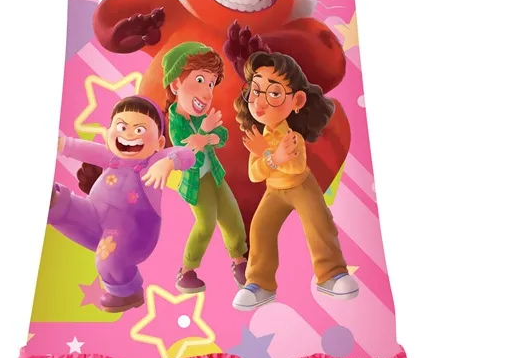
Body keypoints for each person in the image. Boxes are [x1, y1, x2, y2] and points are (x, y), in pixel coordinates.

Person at [231, 52, 359, 311]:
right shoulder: (260, 138)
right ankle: (259, 282)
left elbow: (295, 167)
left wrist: (269, 156)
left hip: (301, 185)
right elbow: (255, 174)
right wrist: (271, 156)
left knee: (318, 223)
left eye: (274, 93)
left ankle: (331, 273)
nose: (260, 102)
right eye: (256, 91)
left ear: (297, 101)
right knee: (260, 228)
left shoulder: (292, 137)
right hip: (274, 190)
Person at [50, 96, 194, 313]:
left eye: (139, 130)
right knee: (59, 206)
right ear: (109, 134)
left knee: (107, 259)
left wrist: (168, 162)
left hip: (132, 232)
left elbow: (187, 154)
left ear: (159, 143)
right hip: (93, 216)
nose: (129, 135)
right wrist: (61, 144)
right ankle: (52, 200)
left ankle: (127, 291)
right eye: (122, 127)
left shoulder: (153, 161)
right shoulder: (110, 157)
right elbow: (78, 147)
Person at [162, 42, 248, 293]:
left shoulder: (200, 116)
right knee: (206, 223)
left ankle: (240, 261)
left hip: (214, 175)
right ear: (176, 84)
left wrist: (208, 136)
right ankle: (186, 270)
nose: (208, 92)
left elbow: (222, 135)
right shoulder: (176, 121)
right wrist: (204, 135)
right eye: (200, 80)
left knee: (232, 216)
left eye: (210, 84)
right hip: (195, 182)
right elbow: (187, 151)